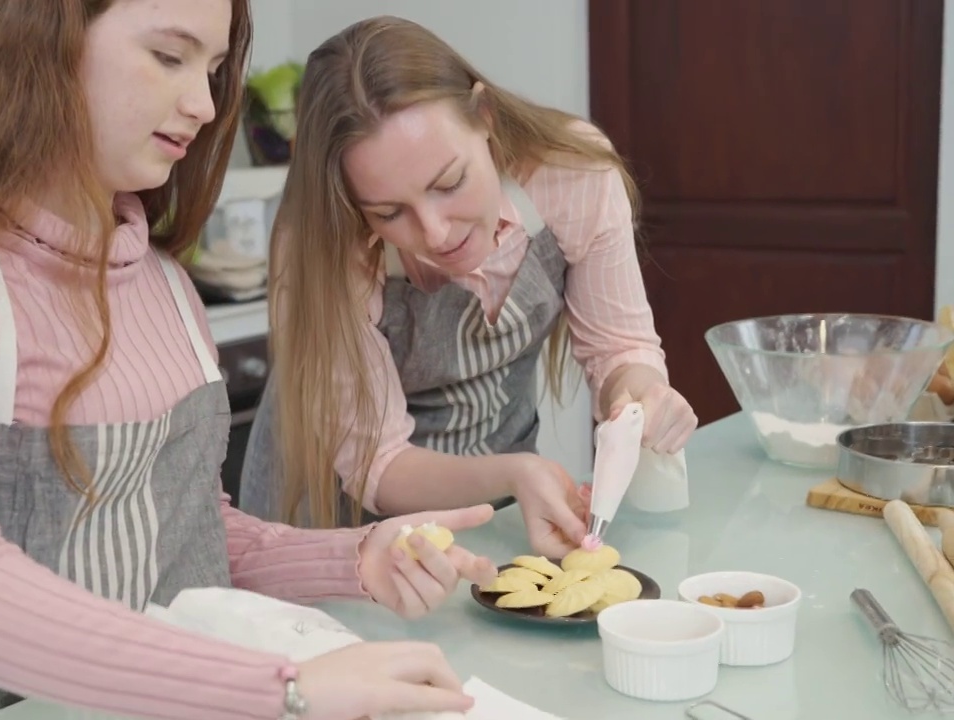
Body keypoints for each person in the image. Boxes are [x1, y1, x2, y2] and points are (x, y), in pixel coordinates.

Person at [0, 3, 500, 720]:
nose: (202, 104)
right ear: (51, 41)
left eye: (216, 69)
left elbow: (192, 531)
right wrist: (282, 689)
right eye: (170, 57)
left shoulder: (164, 284)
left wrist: (357, 558)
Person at [237, 16, 699, 557]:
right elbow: (379, 466)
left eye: (449, 182)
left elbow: (620, 348)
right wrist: (514, 473)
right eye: (389, 212)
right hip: (337, 530)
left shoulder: (571, 174)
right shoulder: (319, 246)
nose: (434, 233)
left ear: (484, 116)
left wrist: (636, 395)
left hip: (498, 506)